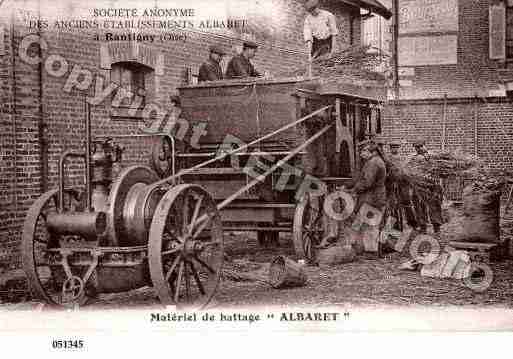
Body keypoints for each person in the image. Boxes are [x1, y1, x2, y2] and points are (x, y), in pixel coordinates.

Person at [409, 140, 443, 235]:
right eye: (417, 147)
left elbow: (439, 171)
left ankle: (437, 227)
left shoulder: (434, 157)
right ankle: (423, 226)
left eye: (421, 146)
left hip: (432, 185)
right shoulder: (413, 159)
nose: (419, 149)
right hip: (419, 185)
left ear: (425, 146)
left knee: (434, 205)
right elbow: (409, 171)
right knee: (419, 206)